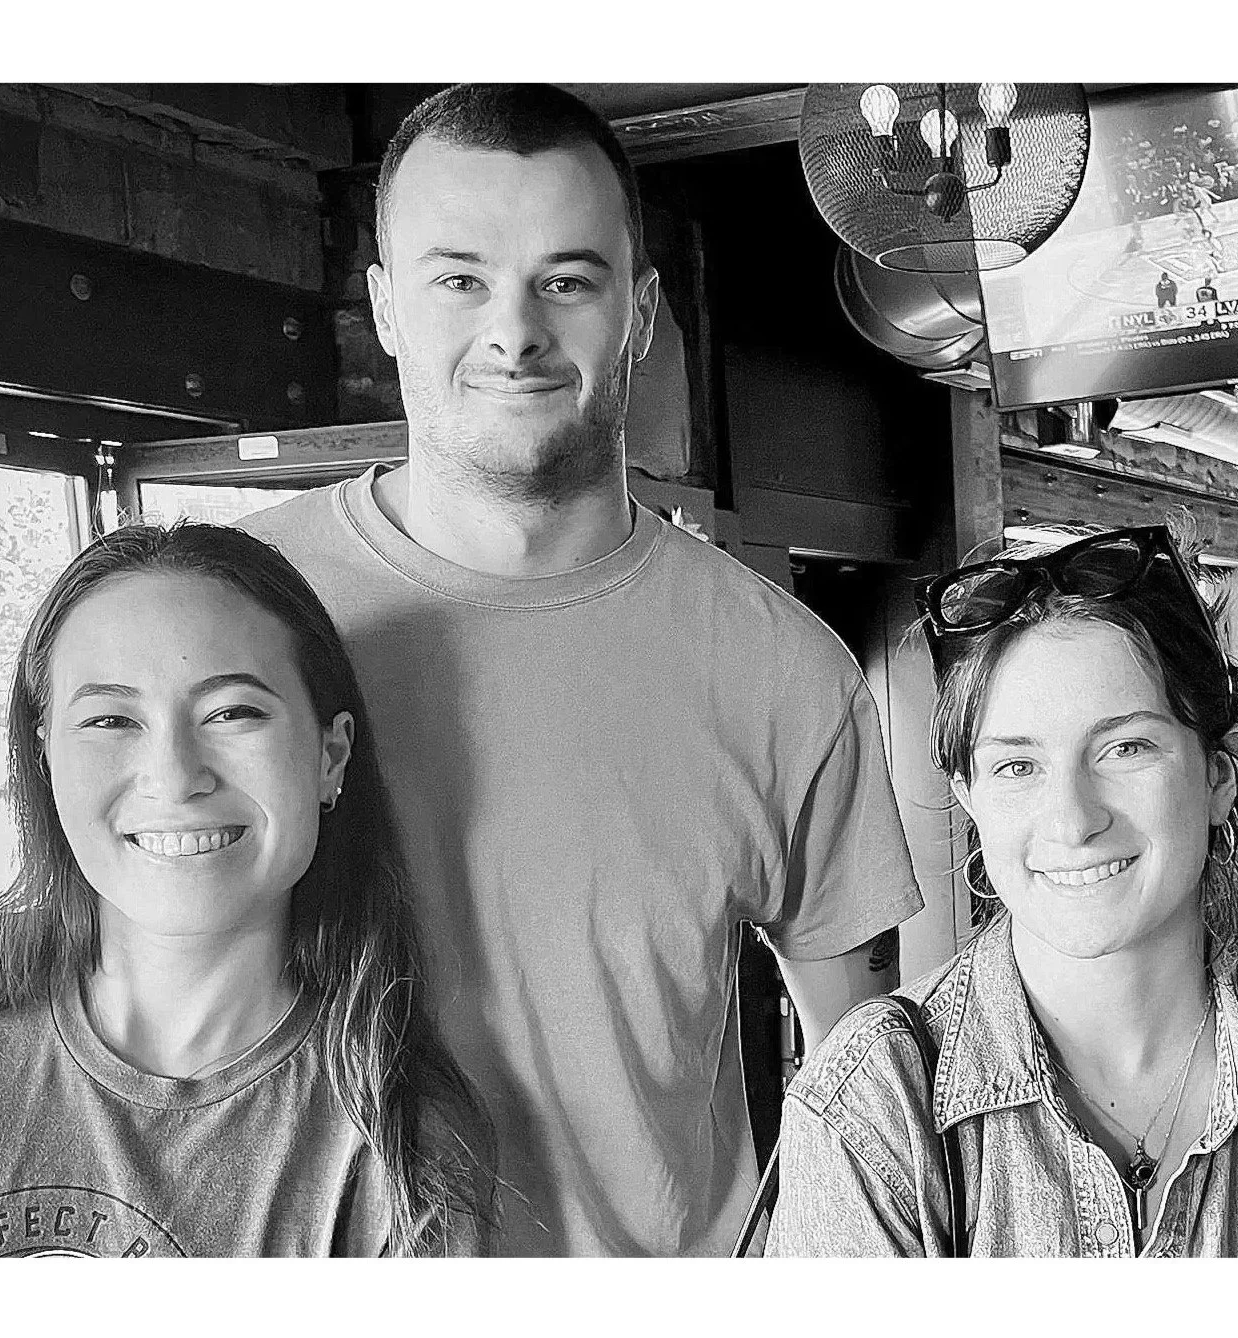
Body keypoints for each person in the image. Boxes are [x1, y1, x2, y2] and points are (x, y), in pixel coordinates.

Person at [237, 84, 922, 1256]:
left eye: (567, 279)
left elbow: (860, 1097)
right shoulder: (240, 617)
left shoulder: (780, 668)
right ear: (388, 307)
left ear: (641, 312)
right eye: (461, 278)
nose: (514, 331)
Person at [763, 525, 1238, 1256]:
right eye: (1018, 766)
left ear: (1219, 774)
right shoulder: (873, 1108)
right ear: (969, 795)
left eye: (1125, 748)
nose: (1074, 819)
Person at [0, 523, 494, 1256]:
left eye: (232, 712)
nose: (174, 775)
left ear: (330, 756)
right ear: (44, 756)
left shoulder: (402, 1150)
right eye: (109, 720)